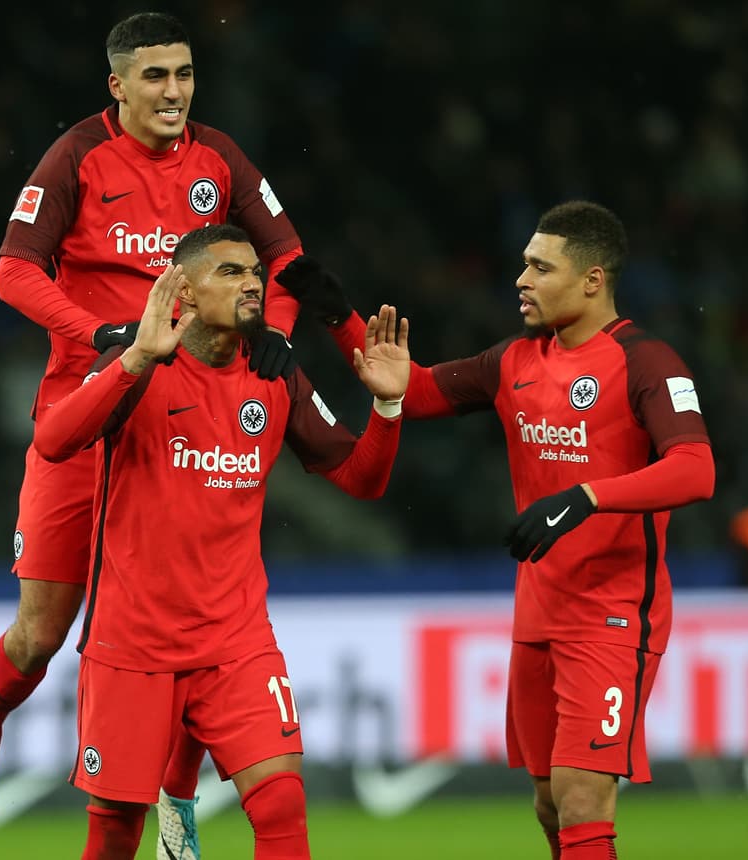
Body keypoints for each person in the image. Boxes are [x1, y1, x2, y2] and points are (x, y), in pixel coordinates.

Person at [0, 13, 305, 852]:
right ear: (118, 85)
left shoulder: (219, 158)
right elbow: (11, 269)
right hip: (91, 404)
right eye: (154, 77)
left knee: (189, 612)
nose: (174, 91)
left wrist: (278, 328)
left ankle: (175, 790)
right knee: (41, 632)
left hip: (185, 410)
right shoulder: (76, 157)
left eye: (183, 74)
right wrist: (99, 335)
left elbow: (286, 256)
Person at [280, 200, 715, 859]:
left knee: (581, 797)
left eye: (541, 267)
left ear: (593, 280)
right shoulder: (514, 360)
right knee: (548, 802)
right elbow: (417, 390)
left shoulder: (647, 361)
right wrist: (341, 321)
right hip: (538, 611)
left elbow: (696, 469)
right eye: (523, 265)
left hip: (614, 614)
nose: (523, 280)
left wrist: (588, 496)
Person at [32, 224, 409, 860]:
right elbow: (53, 441)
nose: (254, 283)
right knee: (117, 831)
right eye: (232, 272)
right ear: (182, 288)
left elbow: (361, 477)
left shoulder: (275, 376)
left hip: (236, 643)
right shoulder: (142, 363)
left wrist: (389, 408)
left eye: (256, 272)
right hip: (133, 644)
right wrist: (132, 360)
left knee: (283, 802)